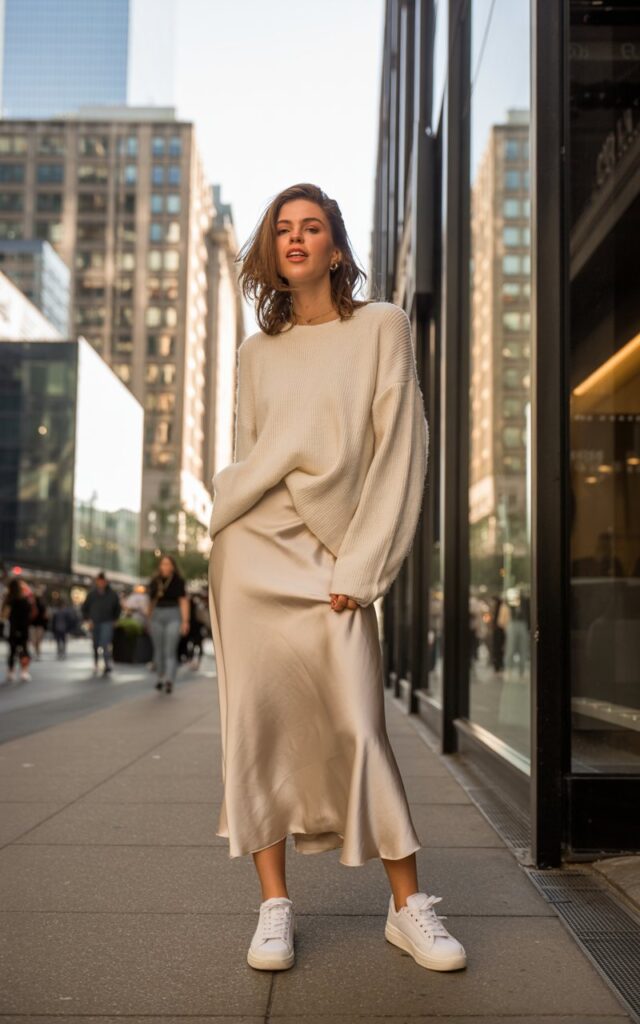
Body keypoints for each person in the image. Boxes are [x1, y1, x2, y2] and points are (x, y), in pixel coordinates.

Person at [207, 184, 466, 974]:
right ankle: (274, 908)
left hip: (334, 559)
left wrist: (366, 564)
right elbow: (252, 451)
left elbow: (401, 450)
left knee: (359, 724)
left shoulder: (382, 326)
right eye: (281, 229)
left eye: (310, 227)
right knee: (256, 723)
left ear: (336, 248)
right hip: (253, 553)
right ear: (271, 250)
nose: (294, 238)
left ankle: (408, 908)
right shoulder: (257, 351)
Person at [147, 554, 189, 694]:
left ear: (173, 566)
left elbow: (183, 602)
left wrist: (185, 621)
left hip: (174, 615)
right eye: (163, 564)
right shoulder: (154, 581)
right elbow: (151, 603)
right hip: (157, 616)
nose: (165, 566)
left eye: (168, 564)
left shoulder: (178, 581)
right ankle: (160, 677)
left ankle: (169, 679)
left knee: (169, 650)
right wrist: (148, 619)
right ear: (160, 566)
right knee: (158, 650)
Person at [81, 572, 121, 676]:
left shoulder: (112, 594)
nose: (101, 583)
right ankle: (95, 662)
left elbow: (117, 608)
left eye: (103, 581)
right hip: (94, 622)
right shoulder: (92, 594)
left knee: (105, 643)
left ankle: (107, 664)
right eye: (99, 581)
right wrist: (87, 619)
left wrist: (115, 620)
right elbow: (85, 608)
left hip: (107, 621)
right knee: (95, 644)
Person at [1, 578, 32, 682]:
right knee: (24, 650)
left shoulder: (9, 600)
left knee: (12, 651)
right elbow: (30, 614)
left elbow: (4, 616)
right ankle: (24, 671)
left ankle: (11, 672)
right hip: (24, 628)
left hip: (12, 629)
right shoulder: (25, 600)